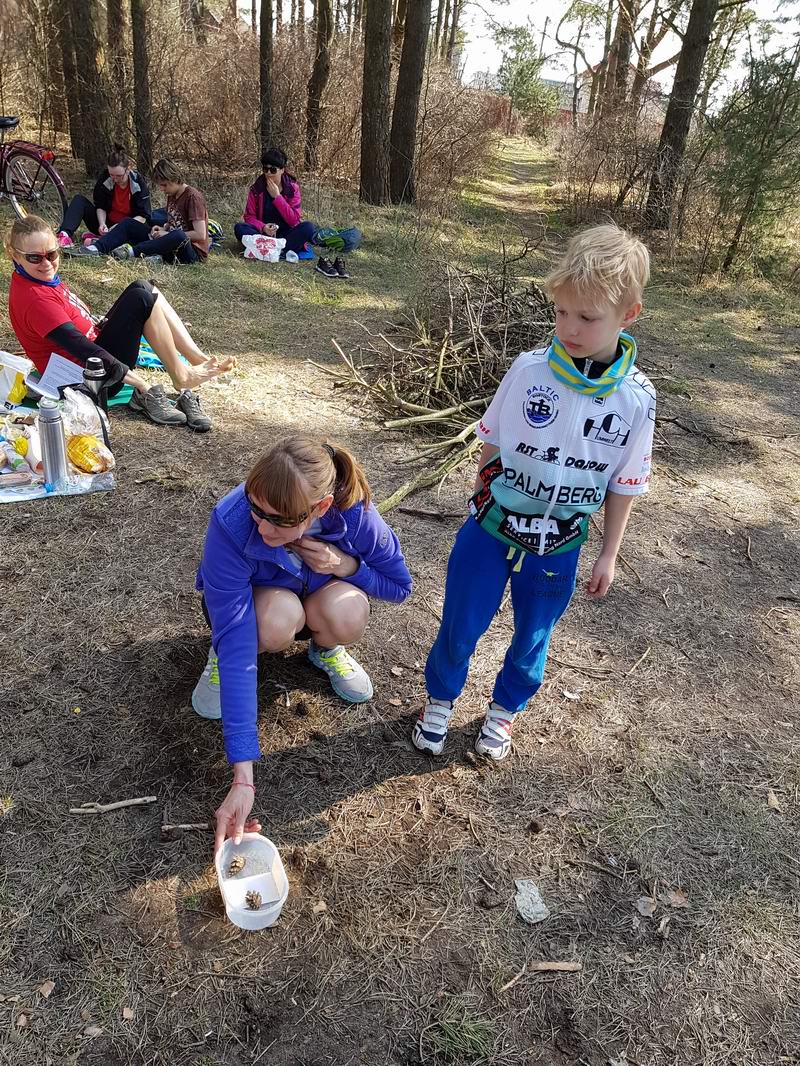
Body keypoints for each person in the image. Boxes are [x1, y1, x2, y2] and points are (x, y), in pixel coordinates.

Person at [412, 224, 656, 762]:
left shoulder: (637, 401)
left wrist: (609, 554)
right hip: (491, 527)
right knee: (461, 622)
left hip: (560, 542)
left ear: (628, 315)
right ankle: (440, 699)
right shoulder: (527, 371)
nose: (569, 328)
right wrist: (481, 497)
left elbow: (624, 483)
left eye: (587, 318)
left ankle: (504, 710)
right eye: (561, 312)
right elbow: (491, 440)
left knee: (533, 637)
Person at [193, 435, 413, 849]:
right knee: (275, 622)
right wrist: (244, 777)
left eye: (279, 520)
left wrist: (345, 565)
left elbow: (400, 587)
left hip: (318, 595)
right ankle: (215, 656)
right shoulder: (231, 521)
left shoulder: (357, 515)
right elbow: (239, 638)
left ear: (321, 508)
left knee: (350, 612)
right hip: (261, 608)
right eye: (257, 510)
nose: (262, 526)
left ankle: (325, 648)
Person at [6, 215, 235, 430]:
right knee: (142, 299)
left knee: (144, 286)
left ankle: (196, 359)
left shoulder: (36, 279)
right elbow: (81, 348)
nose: (46, 263)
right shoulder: (35, 298)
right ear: (15, 255)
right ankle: (182, 377)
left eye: (52, 255)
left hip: (94, 355)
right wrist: (141, 385)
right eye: (35, 257)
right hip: (88, 379)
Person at [234, 148, 334, 268]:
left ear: (282, 170)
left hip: (285, 235)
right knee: (240, 228)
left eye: (273, 170)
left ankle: (269, 249)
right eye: (265, 169)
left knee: (308, 227)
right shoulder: (257, 188)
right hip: (264, 235)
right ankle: (275, 250)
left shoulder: (292, 189)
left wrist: (277, 197)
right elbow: (249, 216)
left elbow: (294, 220)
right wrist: (263, 227)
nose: (268, 173)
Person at [109, 159, 210, 265]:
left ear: (175, 179)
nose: (162, 189)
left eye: (164, 185)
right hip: (171, 246)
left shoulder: (193, 197)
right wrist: (164, 227)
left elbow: (200, 234)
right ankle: (99, 246)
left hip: (192, 253)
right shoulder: (172, 194)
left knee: (179, 235)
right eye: (160, 185)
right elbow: (175, 221)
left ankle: (130, 252)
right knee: (129, 223)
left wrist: (167, 234)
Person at [58, 144, 152, 253]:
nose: (115, 179)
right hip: (107, 224)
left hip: (126, 227)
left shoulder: (138, 184)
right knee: (79, 200)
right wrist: (102, 224)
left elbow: (143, 216)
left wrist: (121, 226)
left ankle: (99, 241)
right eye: (112, 175)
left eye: (119, 176)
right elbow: (100, 205)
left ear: (128, 169)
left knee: (134, 234)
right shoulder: (105, 178)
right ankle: (64, 235)